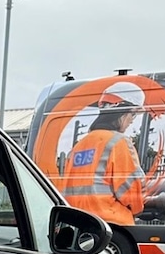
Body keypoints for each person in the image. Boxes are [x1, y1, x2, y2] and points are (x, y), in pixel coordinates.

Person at [59, 83, 148, 225]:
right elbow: (132, 190)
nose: (132, 120)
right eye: (133, 114)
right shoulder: (119, 142)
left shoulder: (79, 146)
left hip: (79, 223)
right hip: (112, 225)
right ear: (122, 111)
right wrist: (139, 208)